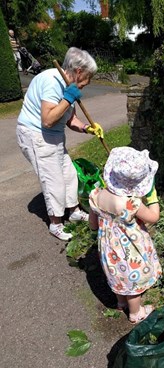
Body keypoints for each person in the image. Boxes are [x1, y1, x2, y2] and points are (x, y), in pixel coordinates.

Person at [16, 47, 104, 241]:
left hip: (53, 136)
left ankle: (73, 211)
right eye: (88, 77)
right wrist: (68, 97)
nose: (87, 83)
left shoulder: (68, 84)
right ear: (79, 71)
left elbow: (70, 119)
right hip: (36, 135)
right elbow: (48, 119)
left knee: (69, 174)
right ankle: (55, 223)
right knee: (53, 179)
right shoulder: (52, 81)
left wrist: (87, 128)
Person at [88, 147, 162, 324]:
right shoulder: (131, 203)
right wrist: (152, 197)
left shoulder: (96, 194)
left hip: (109, 248)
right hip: (130, 251)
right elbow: (154, 217)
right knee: (133, 284)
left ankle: (121, 301)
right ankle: (136, 312)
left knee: (117, 275)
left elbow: (92, 224)